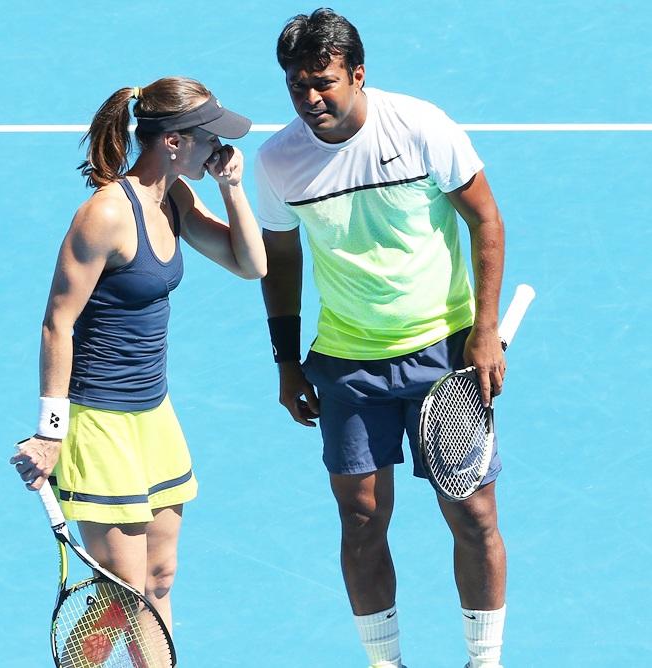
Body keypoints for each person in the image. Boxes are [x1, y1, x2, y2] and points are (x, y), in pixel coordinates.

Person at [256, 9, 507, 668]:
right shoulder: (279, 161)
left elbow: (485, 219)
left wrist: (483, 333)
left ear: (357, 74)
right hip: (347, 363)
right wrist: (286, 361)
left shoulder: (421, 127)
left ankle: (485, 661)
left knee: (473, 514)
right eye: (297, 86)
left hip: (442, 354)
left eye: (323, 82)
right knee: (362, 518)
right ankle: (383, 663)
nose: (310, 98)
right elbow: (283, 263)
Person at [11, 76, 266, 640]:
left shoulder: (173, 196)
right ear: (172, 141)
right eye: (210, 139)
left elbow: (250, 264)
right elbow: (58, 322)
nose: (220, 149)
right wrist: (51, 434)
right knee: (126, 601)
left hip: (154, 416)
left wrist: (232, 190)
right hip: (100, 421)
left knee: (159, 578)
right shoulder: (105, 215)